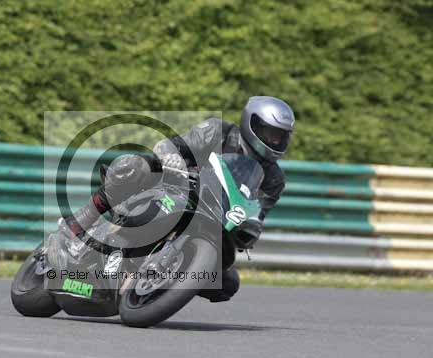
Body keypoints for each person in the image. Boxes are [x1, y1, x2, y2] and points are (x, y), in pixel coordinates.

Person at [61, 96, 295, 302]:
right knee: (132, 167)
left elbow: (256, 213)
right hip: (176, 188)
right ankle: (80, 221)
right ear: (251, 124)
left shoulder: (274, 180)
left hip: (215, 222)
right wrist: (171, 156)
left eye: (280, 136)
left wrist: (249, 229)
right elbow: (171, 145)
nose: (274, 141)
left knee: (228, 283)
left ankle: (162, 289)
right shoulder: (219, 131)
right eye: (270, 133)